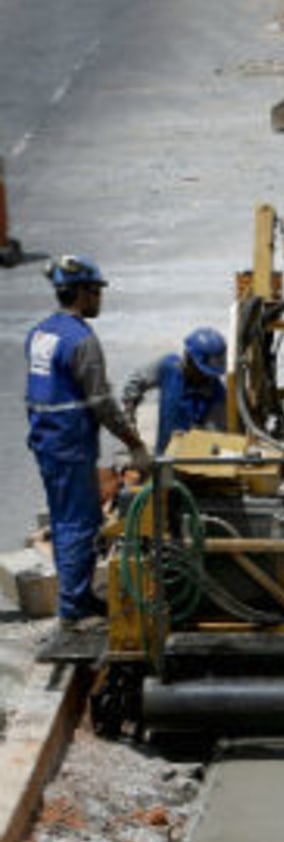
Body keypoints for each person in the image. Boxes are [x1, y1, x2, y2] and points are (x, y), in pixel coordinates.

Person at [24, 254, 153, 628]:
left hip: (47, 441)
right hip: (69, 443)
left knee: (69, 518)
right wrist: (135, 444)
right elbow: (101, 403)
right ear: (81, 293)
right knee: (78, 523)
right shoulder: (82, 340)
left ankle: (77, 597)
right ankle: (73, 608)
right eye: (96, 292)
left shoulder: (41, 332)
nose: (100, 299)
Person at [121, 326, 228, 455]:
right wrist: (129, 416)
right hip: (163, 455)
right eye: (202, 372)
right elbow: (135, 382)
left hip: (193, 461)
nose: (207, 378)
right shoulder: (169, 368)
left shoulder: (217, 394)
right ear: (189, 359)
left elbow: (214, 438)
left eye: (210, 374)